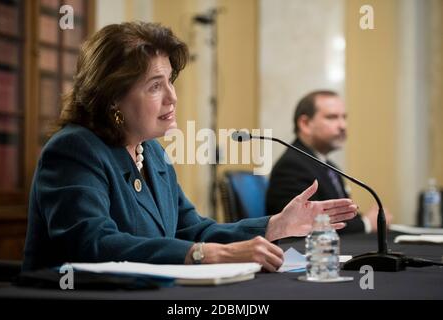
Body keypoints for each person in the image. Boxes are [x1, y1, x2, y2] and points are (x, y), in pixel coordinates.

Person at [23, 23, 357, 272]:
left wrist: (274, 225)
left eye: (171, 80)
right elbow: (91, 243)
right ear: (113, 98)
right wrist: (204, 254)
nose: (172, 96)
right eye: (156, 85)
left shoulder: (151, 152)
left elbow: (193, 229)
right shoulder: (74, 149)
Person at [266, 90, 389, 234]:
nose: (342, 125)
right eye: (332, 117)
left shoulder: (328, 166)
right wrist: (367, 223)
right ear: (305, 124)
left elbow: (341, 215)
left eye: (344, 117)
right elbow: (308, 225)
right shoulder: (292, 167)